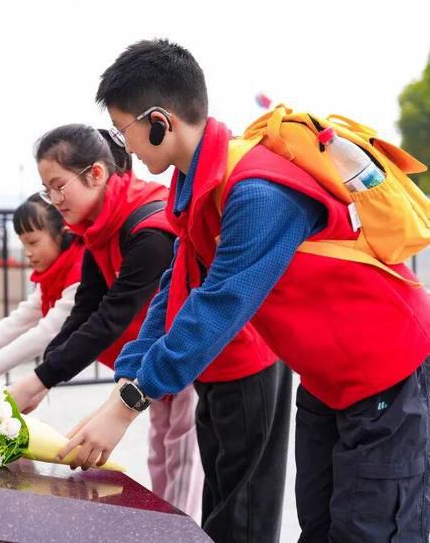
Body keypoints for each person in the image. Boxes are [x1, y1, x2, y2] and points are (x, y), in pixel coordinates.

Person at [60, 38, 430, 543]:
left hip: (386, 370)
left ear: (159, 122)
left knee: (370, 530)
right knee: (320, 526)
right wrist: (125, 385)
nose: (124, 148)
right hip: (326, 380)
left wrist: (129, 404)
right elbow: (177, 288)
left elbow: (219, 304)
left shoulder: (257, 191)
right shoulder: (202, 187)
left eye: (123, 132)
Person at [8, 125, 203, 517]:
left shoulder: (148, 231)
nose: (54, 200)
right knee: (161, 450)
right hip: (154, 355)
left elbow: (111, 317)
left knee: (182, 455)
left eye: (58, 186)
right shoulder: (98, 227)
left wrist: (40, 379)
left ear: (95, 173)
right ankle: (163, 527)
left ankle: (177, 530)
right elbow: (86, 307)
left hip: (190, 349)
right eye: (47, 190)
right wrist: (44, 377)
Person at [0, 193, 85, 381]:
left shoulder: (81, 270)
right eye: (23, 244)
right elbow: (20, 320)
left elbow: (47, 332)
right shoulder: (52, 275)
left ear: (63, 232)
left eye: (33, 242)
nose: (27, 253)